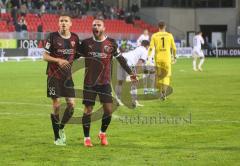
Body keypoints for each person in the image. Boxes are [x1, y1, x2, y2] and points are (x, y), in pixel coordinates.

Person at [78, 17, 137, 147]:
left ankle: (102, 133)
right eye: (94, 25)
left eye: (98, 25)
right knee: (88, 110)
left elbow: (121, 59)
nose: (96, 27)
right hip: (89, 83)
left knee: (108, 110)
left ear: (104, 28)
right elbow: (74, 55)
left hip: (104, 82)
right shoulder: (86, 43)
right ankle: (86, 138)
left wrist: (131, 73)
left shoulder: (111, 43)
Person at [43, 14, 80, 146]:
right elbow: (45, 56)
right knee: (57, 105)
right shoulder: (52, 37)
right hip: (53, 76)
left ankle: (61, 127)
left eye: (66, 21)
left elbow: (76, 55)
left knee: (71, 105)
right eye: (61, 21)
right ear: (58, 23)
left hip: (67, 77)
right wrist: (58, 60)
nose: (63, 23)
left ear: (71, 24)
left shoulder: (75, 38)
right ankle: (57, 137)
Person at [115, 40, 149, 107]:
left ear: (141, 44)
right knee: (134, 82)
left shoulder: (137, 47)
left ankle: (117, 100)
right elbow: (140, 62)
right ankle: (134, 101)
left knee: (120, 81)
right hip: (130, 62)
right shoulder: (145, 51)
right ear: (147, 46)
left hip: (122, 59)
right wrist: (135, 73)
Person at [148, 21, 176, 100]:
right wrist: (174, 57)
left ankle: (160, 92)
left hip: (158, 59)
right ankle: (164, 93)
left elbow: (151, 48)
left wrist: (149, 58)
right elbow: (174, 48)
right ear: (165, 26)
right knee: (166, 76)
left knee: (158, 76)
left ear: (158, 26)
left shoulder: (154, 35)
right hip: (167, 59)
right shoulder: (169, 35)